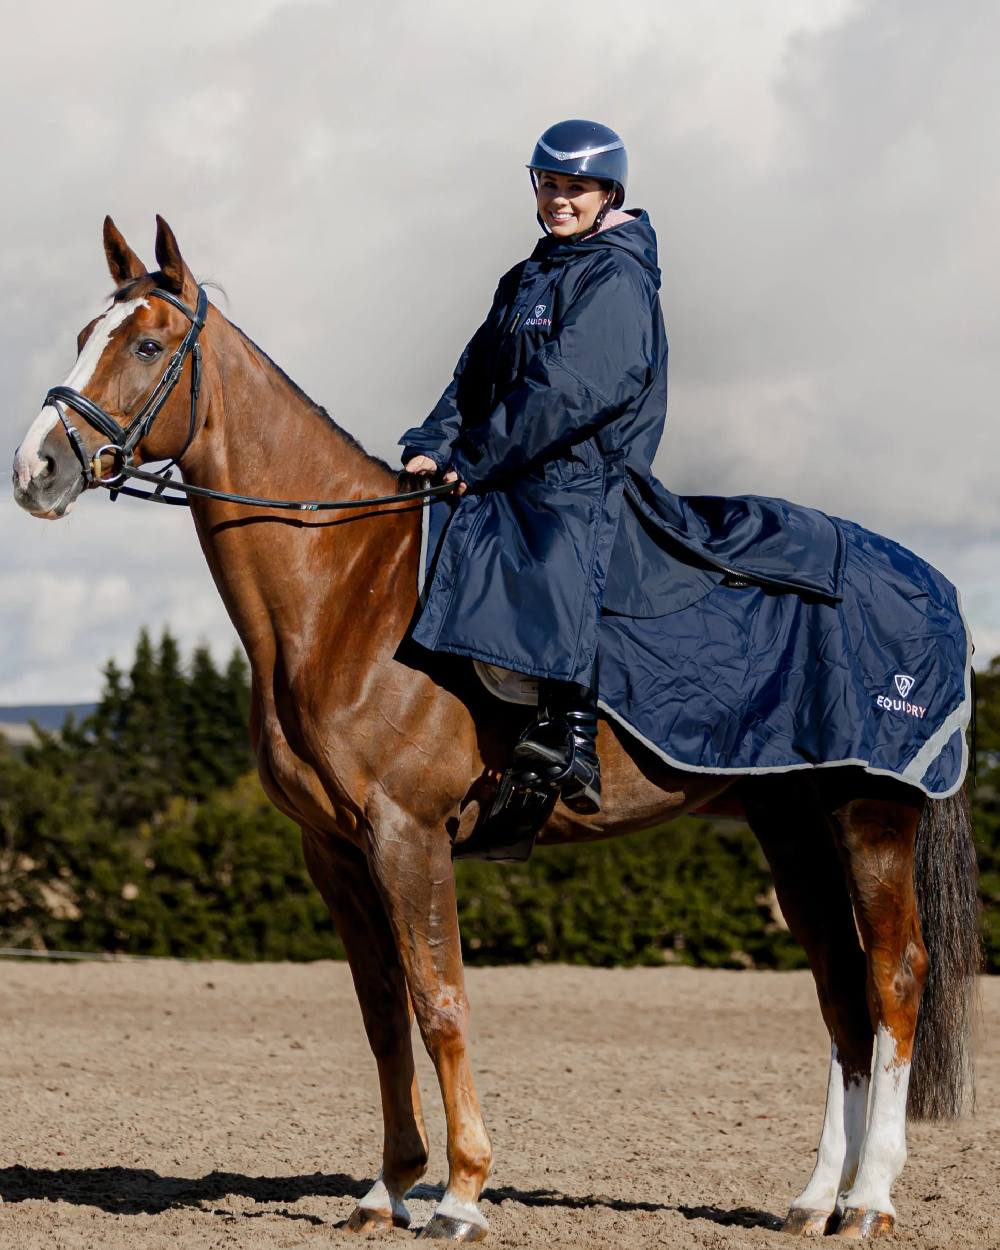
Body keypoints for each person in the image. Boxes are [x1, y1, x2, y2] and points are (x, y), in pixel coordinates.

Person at [400, 119, 663, 816]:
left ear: (609, 193)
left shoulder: (617, 274)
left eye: (575, 188)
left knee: (551, 545)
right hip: (517, 462)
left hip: (585, 473)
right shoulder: (526, 276)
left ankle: (571, 731)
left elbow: (574, 388)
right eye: (550, 185)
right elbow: (474, 374)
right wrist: (436, 440)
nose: (559, 200)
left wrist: (479, 458)